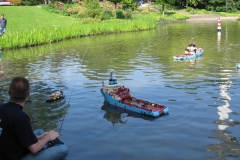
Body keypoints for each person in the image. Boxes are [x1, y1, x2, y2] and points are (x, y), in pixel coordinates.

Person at [0, 77, 69, 160]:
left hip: (6, 150)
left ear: (9, 91)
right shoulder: (20, 117)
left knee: (40, 132)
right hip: (16, 157)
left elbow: (11, 134)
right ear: (28, 94)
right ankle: (49, 148)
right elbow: (34, 149)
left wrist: (42, 136)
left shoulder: (2, 107)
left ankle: (46, 146)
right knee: (63, 149)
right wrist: (48, 137)